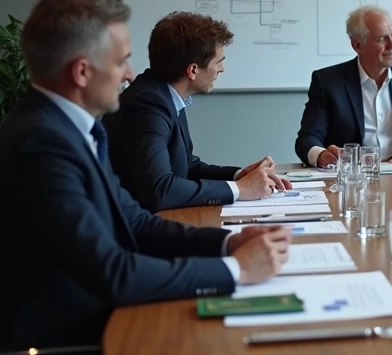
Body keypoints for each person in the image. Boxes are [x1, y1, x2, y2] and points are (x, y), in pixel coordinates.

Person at [0, 0, 291, 350]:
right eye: (121, 61)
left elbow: (136, 222)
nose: (129, 74)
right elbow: (114, 273)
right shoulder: (39, 148)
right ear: (82, 71)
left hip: (86, 315)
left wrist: (228, 243)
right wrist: (237, 269)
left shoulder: (67, 131)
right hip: (57, 348)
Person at [104, 12, 290, 212]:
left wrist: (239, 176)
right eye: (218, 62)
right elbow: (160, 190)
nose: (222, 69)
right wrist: (240, 189)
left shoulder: (163, 94)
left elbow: (186, 167)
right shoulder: (148, 105)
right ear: (193, 70)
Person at [296, 5, 392, 168]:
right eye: (381, 39)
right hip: (353, 174)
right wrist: (321, 155)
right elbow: (307, 139)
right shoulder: (328, 81)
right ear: (358, 46)